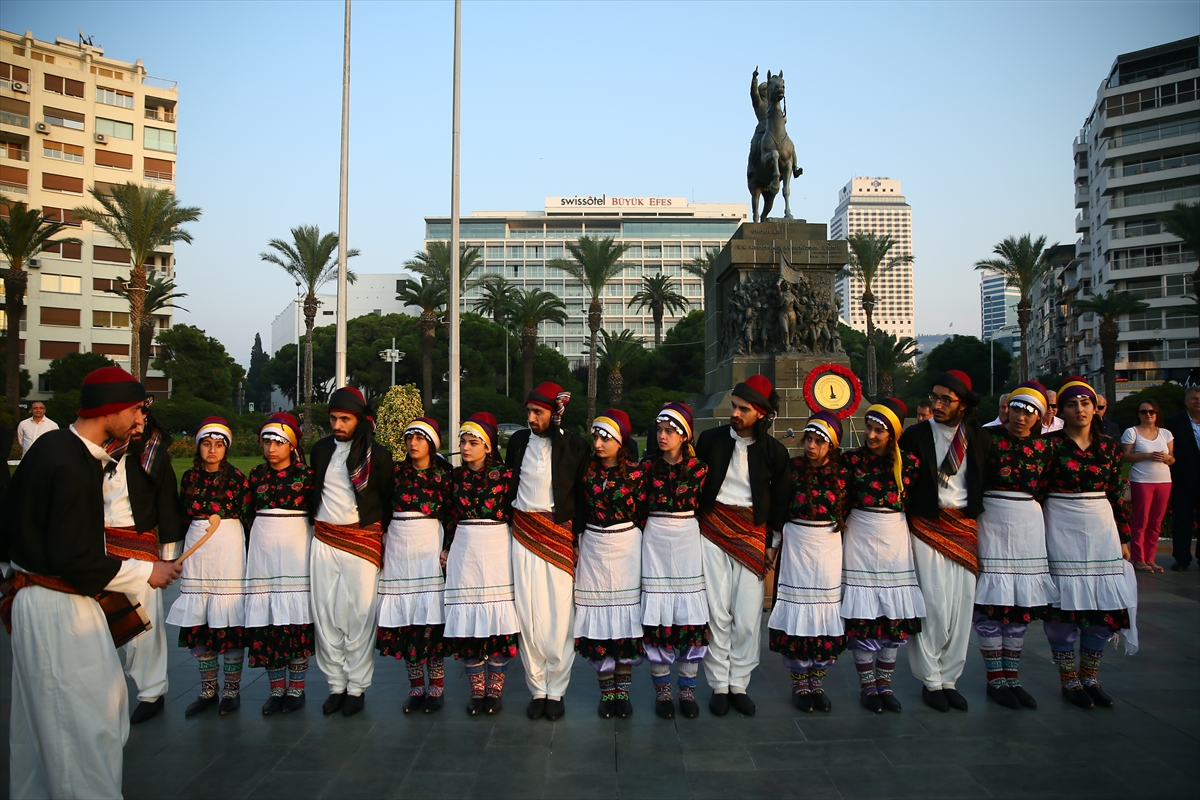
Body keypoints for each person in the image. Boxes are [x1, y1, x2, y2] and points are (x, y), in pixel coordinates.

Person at [0, 366, 181, 799]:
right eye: (137, 410)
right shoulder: (70, 462)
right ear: (111, 409)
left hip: (44, 601)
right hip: (57, 607)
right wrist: (146, 572)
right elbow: (73, 558)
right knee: (82, 726)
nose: (141, 421)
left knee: (43, 731)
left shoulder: (54, 450)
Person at [695, 374, 790, 717]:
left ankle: (740, 684)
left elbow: (780, 501)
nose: (734, 413)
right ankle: (720, 685)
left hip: (753, 532)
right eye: (734, 406)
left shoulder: (774, 452)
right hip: (713, 528)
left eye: (743, 409)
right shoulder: (710, 440)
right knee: (716, 612)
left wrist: (772, 542)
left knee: (748, 616)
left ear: (761, 414)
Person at [1041, 377, 1135, 709]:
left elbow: (1116, 493)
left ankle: (1091, 677)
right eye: (1071, 404)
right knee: (1065, 606)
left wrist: (1124, 537)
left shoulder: (1109, 446)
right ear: (1061, 410)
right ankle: (1069, 680)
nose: (1079, 410)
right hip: (1061, 526)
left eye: (1085, 403)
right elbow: (1037, 494)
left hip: (1101, 528)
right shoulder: (1049, 446)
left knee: (1101, 606)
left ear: (1095, 408)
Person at [900, 370, 991, 713]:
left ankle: (950, 678)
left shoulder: (977, 438)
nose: (936, 405)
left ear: (962, 404)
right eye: (934, 398)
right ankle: (930, 679)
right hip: (927, 524)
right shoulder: (915, 435)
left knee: (960, 607)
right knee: (934, 606)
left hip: (964, 527)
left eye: (945, 400)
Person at [505, 382, 589, 721]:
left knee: (558, 616)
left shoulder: (575, 446)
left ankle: (557, 689)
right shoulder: (518, 442)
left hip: (558, 536)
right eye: (529, 411)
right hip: (523, 535)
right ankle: (537, 688)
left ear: (555, 414)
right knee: (528, 614)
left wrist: (578, 538)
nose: (531, 418)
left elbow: (582, 496)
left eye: (537, 412)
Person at [309, 386, 395, 717]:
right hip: (325, 540)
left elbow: (385, 500)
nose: (337, 425)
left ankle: (357, 687)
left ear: (359, 420)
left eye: (344, 419)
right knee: (326, 614)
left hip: (362, 542)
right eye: (333, 419)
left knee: (359, 615)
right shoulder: (319, 450)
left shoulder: (380, 455)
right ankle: (336, 685)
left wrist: (377, 537)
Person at [973, 383, 1058, 710]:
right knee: (993, 601)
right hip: (993, 517)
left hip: (1027, 523)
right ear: (1007, 408)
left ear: (1039, 416)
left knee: (1019, 604)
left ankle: (1013, 676)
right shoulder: (988, 438)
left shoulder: (1045, 448)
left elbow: (1047, 486)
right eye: (1017, 408)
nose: (1021, 416)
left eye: (1029, 411)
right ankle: (995, 679)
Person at [101, 403, 187, 724]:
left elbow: (167, 505)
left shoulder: (154, 457)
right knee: (103, 623)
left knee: (144, 624)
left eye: (142, 422)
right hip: (101, 550)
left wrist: (167, 559)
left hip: (141, 549)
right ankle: (107, 691)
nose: (136, 427)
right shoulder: (101, 455)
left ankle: (151, 692)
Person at [841, 398, 924, 713]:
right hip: (861, 537)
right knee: (865, 616)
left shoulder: (909, 463)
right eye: (869, 427)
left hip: (894, 539)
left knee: (891, 615)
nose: (872, 435)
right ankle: (867, 687)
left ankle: (885, 685)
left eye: (880, 430)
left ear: (893, 434)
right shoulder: (851, 462)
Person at [167, 417, 253, 716]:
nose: (212, 450)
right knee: (201, 621)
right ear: (198, 447)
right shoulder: (189, 478)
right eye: (206, 444)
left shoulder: (237, 479)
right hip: (198, 551)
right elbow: (181, 513)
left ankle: (231, 691)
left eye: (218, 445)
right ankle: (207, 690)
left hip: (227, 548)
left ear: (226, 448)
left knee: (227, 619)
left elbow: (246, 515)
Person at [768, 412, 849, 713]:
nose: (812, 446)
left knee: (823, 612)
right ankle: (799, 680)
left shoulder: (842, 473)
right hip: (798, 545)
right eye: (809, 440)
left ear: (832, 445)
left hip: (827, 546)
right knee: (798, 613)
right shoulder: (793, 468)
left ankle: (818, 679)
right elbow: (780, 506)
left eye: (819, 441)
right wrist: (774, 544)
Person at [443, 412, 519, 715]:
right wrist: (447, 548)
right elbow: (450, 515)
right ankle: (477, 690)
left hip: (497, 548)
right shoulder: (455, 477)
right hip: (465, 550)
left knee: (496, 620)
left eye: (473, 442)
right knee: (470, 621)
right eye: (463, 442)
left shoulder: (506, 476)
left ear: (488, 447)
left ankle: (496, 689)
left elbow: (515, 514)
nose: (465, 447)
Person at [376, 417, 452, 714]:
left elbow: (451, 515)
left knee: (429, 619)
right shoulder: (395, 474)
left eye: (419, 437)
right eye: (409, 437)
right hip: (398, 550)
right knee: (406, 620)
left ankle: (437, 686)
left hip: (427, 548)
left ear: (432, 443)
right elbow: (380, 505)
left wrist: (447, 548)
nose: (413, 443)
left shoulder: (444, 477)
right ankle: (416, 686)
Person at [576, 409, 646, 719]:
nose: (599, 443)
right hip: (593, 545)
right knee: (599, 621)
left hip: (626, 547)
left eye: (606, 437)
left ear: (621, 441)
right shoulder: (587, 472)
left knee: (625, 621)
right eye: (596, 437)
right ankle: (607, 692)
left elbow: (643, 512)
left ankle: (624, 691)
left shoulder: (636, 474)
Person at [641, 402, 709, 720]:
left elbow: (706, 509)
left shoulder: (700, 470)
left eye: (669, 431)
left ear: (685, 436)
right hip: (655, 543)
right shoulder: (646, 469)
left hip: (686, 543)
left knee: (688, 618)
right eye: (659, 430)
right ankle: (663, 692)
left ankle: (686, 689)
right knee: (659, 618)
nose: (662, 436)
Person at [244, 413, 316, 715]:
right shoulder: (256, 474)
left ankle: (296, 688)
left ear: (292, 445)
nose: (272, 448)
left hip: (295, 552)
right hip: (263, 556)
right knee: (269, 620)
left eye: (279, 442)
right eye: (267, 441)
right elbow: (247, 515)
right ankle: (276, 689)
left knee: (294, 618)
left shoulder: (306, 476)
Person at [1121, 399, 1175, 574]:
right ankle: (1138, 558)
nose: (1148, 414)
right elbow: (1125, 457)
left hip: (1164, 480)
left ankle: (1150, 558)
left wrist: (1167, 459)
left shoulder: (1166, 434)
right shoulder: (1132, 432)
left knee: (1156, 522)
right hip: (1141, 480)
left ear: (1157, 413)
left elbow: (1172, 459)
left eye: (1151, 411)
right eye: (1144, 412)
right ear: (1139, 414)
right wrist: (1146, 455)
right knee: (1141, 520)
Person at [1163, 386, 1200, 571]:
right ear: (1186, 401)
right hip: (1182, 480)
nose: (1198, 402)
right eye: (1194, 398)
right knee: (1182, 521)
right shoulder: (1172, 423)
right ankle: (1182, 558)